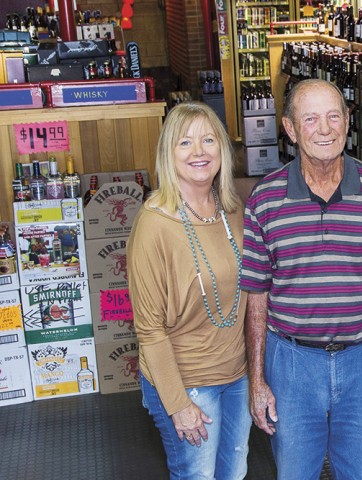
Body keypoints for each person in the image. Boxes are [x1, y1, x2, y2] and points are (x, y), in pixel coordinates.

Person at [241, 79, 362, 480]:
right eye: (311, 118)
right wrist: (258, 379)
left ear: (349, 122)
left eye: (334, 116)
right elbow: (256, 298)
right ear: (290, 128)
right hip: (292, 365)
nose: (325, 128)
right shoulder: (265, 200)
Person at [127, 102, 251, 480]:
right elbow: (149, 330)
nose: (199, 152)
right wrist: (177, 403)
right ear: (169, 153)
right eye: (185, 142)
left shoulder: (231, 209)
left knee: (235, 474)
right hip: (187, 382)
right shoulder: (154, 225)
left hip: (238, 376)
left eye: (209, 140)